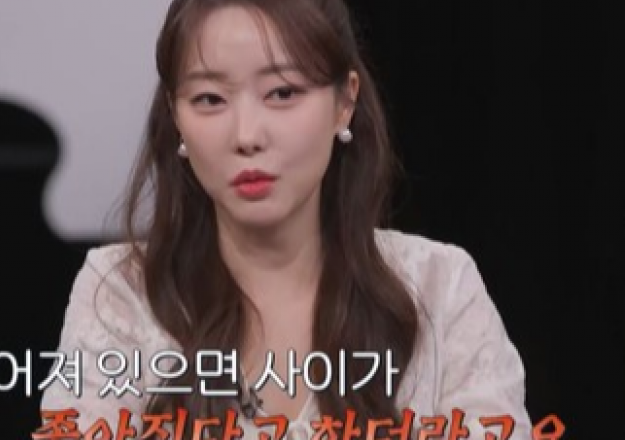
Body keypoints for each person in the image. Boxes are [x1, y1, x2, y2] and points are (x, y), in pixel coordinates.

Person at [40, 0, 532, 438]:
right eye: (210, 99)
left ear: (345, 102)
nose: (247, 135)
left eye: (281, 93)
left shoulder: (440, 289)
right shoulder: (122, 293)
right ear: (175, 117)